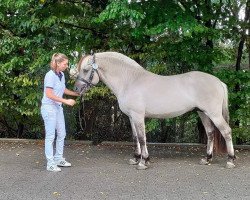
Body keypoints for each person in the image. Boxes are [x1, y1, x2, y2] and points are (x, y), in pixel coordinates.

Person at [41, 53, 79, 172]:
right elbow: (49, 94)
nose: (67, 66)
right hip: (49, 107)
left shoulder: (61, 75)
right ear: (57, 63)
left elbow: (63, 89)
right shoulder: (50, 75)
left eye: (67, 64)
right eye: (65, 64)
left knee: (62, 133)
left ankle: (58, 159)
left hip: (57, 108)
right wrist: (66, 101)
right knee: (51, 136)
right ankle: (50, 163)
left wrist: (76, 94)